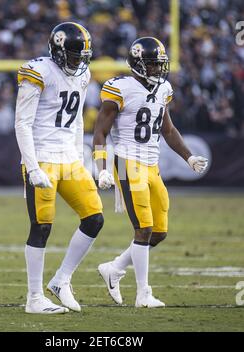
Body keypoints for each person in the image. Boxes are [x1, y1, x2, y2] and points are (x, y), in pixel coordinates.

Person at [93, 37, 208, 308]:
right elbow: (100, 132)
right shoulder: (119, 88)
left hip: (151, 165)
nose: (158, 69)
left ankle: (114, 268)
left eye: (160, 64)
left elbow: (167, 129)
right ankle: (143, 293)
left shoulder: (164, 88)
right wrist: (101, 168)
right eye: (153, 64)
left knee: (159, 231)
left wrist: (188, 157)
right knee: (143, 228)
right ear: (137, 65)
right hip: (126, 162)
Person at [15, 22, 104, 314]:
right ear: (57, 50)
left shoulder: (83, 73)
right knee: (42, 226)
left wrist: (83, 158)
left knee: (94, 219)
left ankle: (61, 280)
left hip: (69, 158)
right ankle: (34, 298)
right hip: (42, 157)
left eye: (83, 56)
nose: (79, 61)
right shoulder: (39, 71)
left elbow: (77, 120)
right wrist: (32, 166)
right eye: (74, 55)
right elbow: (23, 122)